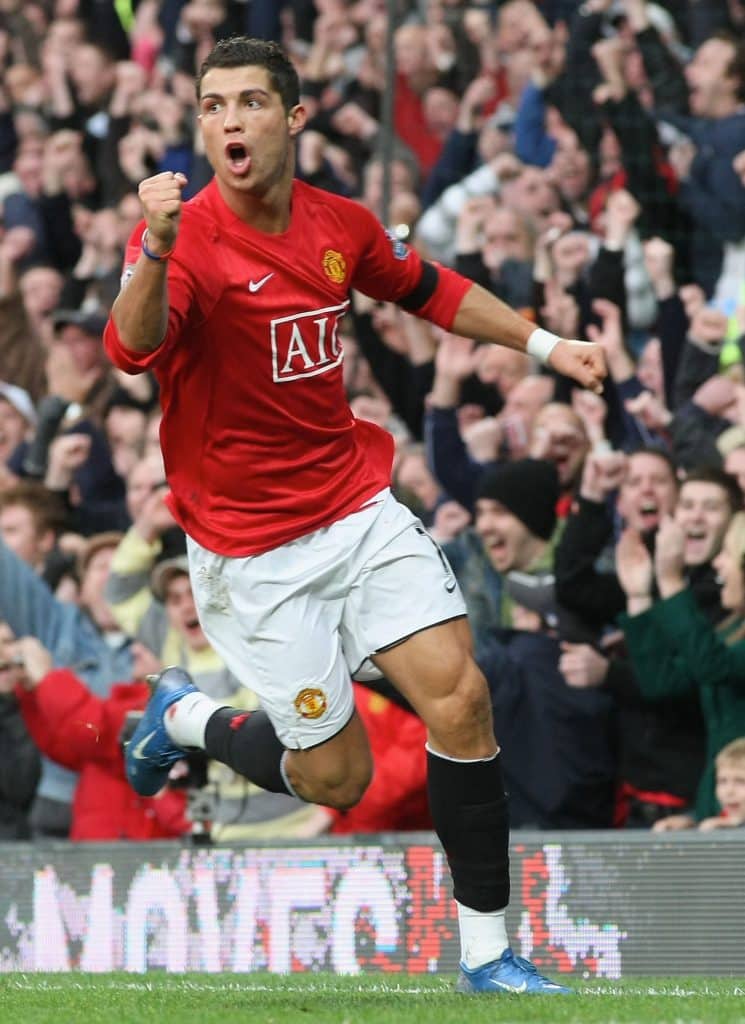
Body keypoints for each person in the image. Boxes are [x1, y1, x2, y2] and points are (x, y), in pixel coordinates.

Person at [104, 37, 606, 996]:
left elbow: (428, 290)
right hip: (252, 551)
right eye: (212, 106)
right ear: (200, 124)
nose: (229, 121)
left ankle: (487, 955)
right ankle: (190, 716)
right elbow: (133, 345)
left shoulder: (339, 223)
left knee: (459, 698)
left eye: (250, 102)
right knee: (335, 779)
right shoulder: (186, 243)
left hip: (355, 507)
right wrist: (155, 249)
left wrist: (545, 344)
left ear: (293, 119)